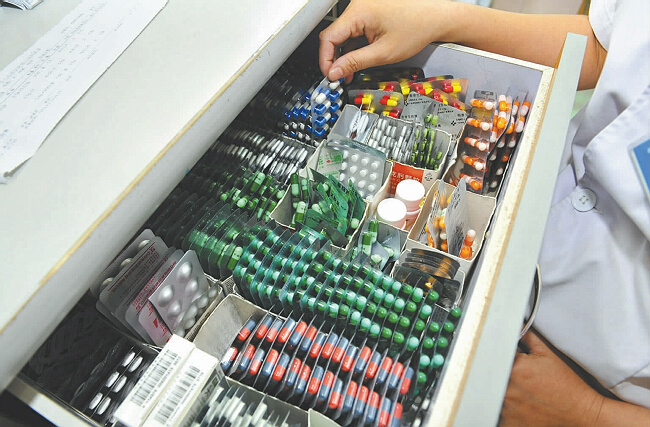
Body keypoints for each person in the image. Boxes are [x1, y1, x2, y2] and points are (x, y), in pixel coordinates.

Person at [319, 0, 650, 425]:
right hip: (521, 216)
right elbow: (606, 49)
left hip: (588, 382)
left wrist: (590, 412)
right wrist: (438, 18)